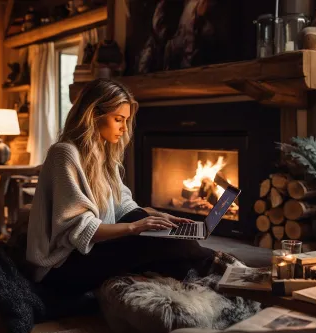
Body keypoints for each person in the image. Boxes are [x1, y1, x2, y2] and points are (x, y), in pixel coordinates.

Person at [26, 78, 212, 296]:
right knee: (158, 244)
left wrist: (157, 217)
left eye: (126, 120)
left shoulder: (103, 153)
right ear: (94, 114)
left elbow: (123, 205)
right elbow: (82, 230)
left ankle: (207, 273)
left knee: (166, 242)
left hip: (91, 250)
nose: (124, 128)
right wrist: (136, 227)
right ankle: (217, 266)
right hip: (61, 266)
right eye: (118, 119)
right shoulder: (65, 154)